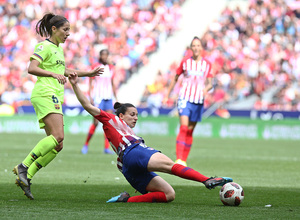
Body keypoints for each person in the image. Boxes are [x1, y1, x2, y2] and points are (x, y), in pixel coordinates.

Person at [68, 72, 232, 203]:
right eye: (132, 114)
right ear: (121, 115)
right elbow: (88, 105)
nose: (135, 118)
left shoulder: (125, 130)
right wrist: (75, 85)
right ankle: (207, 180)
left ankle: (126, 200)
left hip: (126, 166)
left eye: (137, 115)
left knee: (168, 194)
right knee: (170, 165)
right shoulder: (111, 119)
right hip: (133, 152)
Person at [12, 13, 103, 200]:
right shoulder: (44, 46)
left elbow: (64, 71)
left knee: (58, 145)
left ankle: (26, 177)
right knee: (58, 136)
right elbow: (32, 67)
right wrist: (53, 76)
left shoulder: (58, 49)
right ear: (54, 29)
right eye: (65, 29)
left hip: (53, 95)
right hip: (45, 93)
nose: (68, 33)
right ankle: (23, 167)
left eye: (69, 30)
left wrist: (89, 73)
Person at [163, 36, 213, 167]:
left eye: (198, 45)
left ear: (201, 48)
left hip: (198, 100)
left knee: (190, 130)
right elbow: (175, 78)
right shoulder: (185, 62)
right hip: (184, 98)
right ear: (191, 48)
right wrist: (167, 94)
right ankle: (179, 158)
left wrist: (206, 89)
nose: (196, 48)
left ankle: (183, 159)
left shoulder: (207, 64)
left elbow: (210, 83)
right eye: (194, 46)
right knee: (184, 127)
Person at [81, 49, 117, 155]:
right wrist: (90, 96)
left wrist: (116, 97)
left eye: (106, 55)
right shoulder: (96, 66)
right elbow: (91, 81)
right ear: (100, 56)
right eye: (103, 55)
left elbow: (112, 83)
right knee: (96, 122)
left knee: (108, 123)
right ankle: (86, 144)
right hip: (98, 98)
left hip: (108, 97)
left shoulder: (111, 68)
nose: (105, 57)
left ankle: (106, 148)